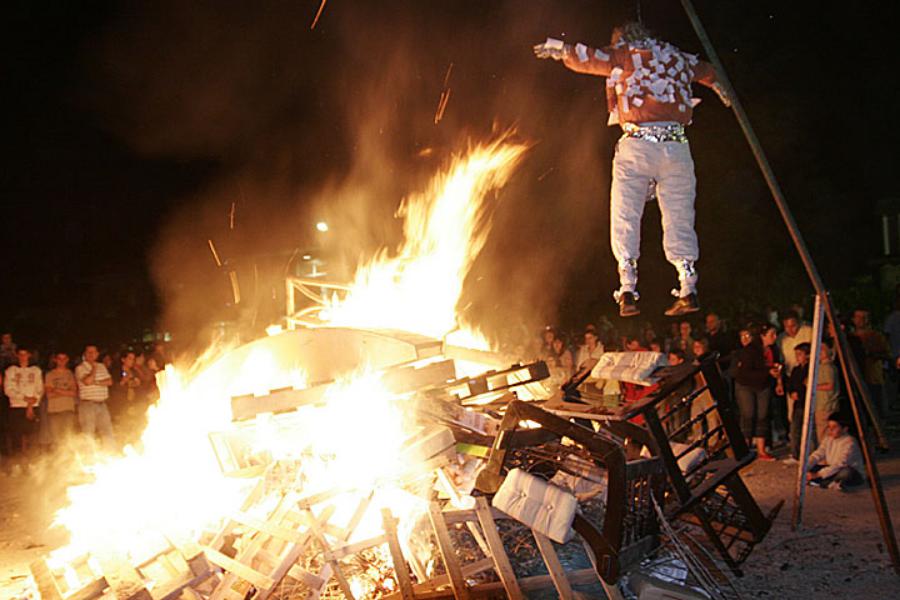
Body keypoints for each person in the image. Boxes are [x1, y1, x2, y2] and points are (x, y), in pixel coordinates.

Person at [533, 22, 730, 317]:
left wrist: (561, 49)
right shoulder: (676, 57)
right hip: (676, 147)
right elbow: (707, 71)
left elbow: (591, 58)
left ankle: (627, 288)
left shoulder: (626, 55)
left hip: (638, 144)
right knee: (679, 216)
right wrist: (721, 88)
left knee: (625, 213)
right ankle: (688, 286)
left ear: (623, 41)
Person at [733, 326, 776, 460]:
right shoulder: (750, 350)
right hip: (746, 384)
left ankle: (761, 450)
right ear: (763, 336)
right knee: (748, 414)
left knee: (762, 415)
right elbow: (745, 372)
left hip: (763, 384)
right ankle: (744, 450)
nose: (774, 337)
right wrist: (767, 372)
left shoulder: (773, 349)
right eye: (771, 334)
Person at [806, 412, 865, 491]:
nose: (830, 430)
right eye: (829, 426)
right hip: (833, 469)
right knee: (812, 468)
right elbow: (818, 454)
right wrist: (806, 466)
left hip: (849, 471)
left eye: (834, 427)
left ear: (845, 429)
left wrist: (818, 474)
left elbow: (841, 463)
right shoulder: (828, 439)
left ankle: (825, 483)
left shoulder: (850, 442)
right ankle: (829, 483)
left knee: (846, 472)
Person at [4, 347, 44, 457]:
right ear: (17, 356)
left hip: (33, 406)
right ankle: (18, 461)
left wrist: (30, 404)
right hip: (17, 406)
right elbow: (8, 389)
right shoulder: (11, 370)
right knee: (17, 435)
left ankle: (33, 461)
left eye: (25, 354)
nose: (23, 357)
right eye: (20, 354)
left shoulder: (36, 370)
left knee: (32, 435)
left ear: (29, 355)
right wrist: (24, 398)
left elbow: (39, 389)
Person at [75, 344, 115, 450]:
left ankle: (110, 454)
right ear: (85, 354)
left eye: (94, 352)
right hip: (88, 405)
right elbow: (87, 381)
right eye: (89, 352)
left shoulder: (102, 366)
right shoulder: (80, 368)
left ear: (97, 354)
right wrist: (93, 368)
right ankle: (89, 458)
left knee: (107, 432)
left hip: (102, 404)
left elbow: (110, 381)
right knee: (88, 433)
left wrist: (96, 382)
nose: (91, 355)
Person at [850, 309, 889, 416]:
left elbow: (885, 354)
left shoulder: (876, 336)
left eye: (864, 317)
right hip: (855, 377)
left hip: (872, 377)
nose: (861, 320)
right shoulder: (850, 337)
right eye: (858, 317)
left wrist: (870, 354)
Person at [783, 342, 811, 464]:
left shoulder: (811, 369)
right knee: (795, 429)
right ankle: (795, 454)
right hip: (798, 404)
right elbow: (791, 384)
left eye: (800, 354)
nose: (797, 357)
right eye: (796, 354)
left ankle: (809, 454)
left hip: (807, 403)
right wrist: (792, 392)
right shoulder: (795, 370)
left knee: (809, 429)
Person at [44, 352, 77, 447]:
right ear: (55, 360)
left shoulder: (70, 374)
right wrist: (66, 392)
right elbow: (49, 395)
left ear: (67, 360)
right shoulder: (50, 375)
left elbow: (74, 393)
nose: (61, 361)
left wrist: (56, 390)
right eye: (59, 359)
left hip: (68, 409)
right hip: (54, 410)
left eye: (64, 359)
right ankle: (58, 459)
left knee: (68, 438)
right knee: (56, 439)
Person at [814, 340, 841, 446]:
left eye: (822, 349)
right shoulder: (822, 367)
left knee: (823, 431)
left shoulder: (828, 367)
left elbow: (830, 385)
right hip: (823, 404)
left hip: (826, 404)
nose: (819, 351)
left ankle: (825, 456)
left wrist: (814, 387)